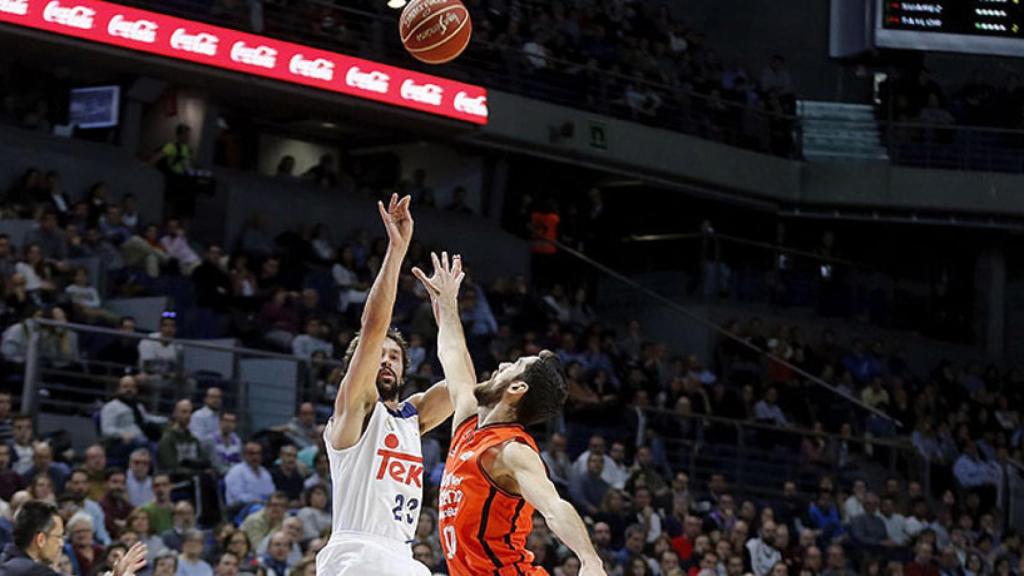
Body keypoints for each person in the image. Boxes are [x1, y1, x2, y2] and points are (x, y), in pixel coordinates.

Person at [413, 252, 605, 575]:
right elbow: (454, 354)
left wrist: (589, 558)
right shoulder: (469, 420)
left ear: (516, 390)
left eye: (514, 366)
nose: (502, 365)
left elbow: (554, 507)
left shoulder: (512, 450)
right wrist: (447, 302)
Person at [314, 196, 454, 576]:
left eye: (395, 356)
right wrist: (397, 250)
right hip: (358, 553)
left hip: (401, 556)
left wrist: (450, 317)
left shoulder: (413, 417)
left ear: (405, 372)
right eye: (379, 354)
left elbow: (463, 386)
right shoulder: (355, 407)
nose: (386, 359)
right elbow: (373, 328)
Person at [0, 501, 147, 575]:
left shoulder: (7, 562)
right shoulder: (33, 571)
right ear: (40, 540)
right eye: (58, 536)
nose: (61, 543)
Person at [224, 442, 274, 509]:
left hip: (264, 506)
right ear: (244, 455)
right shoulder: (236, 471)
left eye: (258, 453)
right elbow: (237, 498)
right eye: (251, 453)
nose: (255, 456)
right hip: (242, 509)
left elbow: (271, 493)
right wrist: (254, 500)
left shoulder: (265, 472)